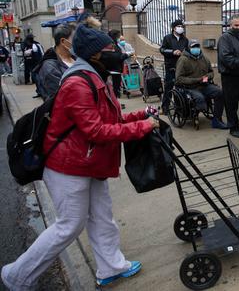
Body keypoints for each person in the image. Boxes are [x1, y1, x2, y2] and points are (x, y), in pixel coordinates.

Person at [1, 24, 159, 290]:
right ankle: (16, 275)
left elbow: (111, 119)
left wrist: (140, 115)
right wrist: (141, 128)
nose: (114, 52)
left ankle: (111, 267)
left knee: (101, 216)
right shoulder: (78, 82)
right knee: (69, 226)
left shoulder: (97, 76)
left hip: (89, 162)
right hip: (69, 166)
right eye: (108, 49)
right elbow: (95, 131)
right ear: (94, 54)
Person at [175, 39, 228, 129]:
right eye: (193, 47)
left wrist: (207, 76)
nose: (196, 48)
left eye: (197, 46)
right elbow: (179, 78)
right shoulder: (183, 60)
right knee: (200, 98)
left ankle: (217, 120)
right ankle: (195, 115)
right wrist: (196, 80)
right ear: (189, 48)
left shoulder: (204, 58)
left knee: (219, 92)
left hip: (204, 85)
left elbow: (211, 72)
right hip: (189, 87)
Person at [34, 23, 76, 100]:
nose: (79, 42)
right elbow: (62, 97)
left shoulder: (76, 58)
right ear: (63, 41)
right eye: (75, 39)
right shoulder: (50, 67)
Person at [160, 19, 189, 113]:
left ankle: (179, 107)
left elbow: (188, 50)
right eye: (178, 26)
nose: (181, 28)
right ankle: (165, 108)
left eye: (182, 26)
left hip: (182, 66)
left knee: (180, 88)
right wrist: (172, 52)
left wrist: (185, 53)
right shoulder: (167, 38)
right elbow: (162, 49)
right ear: (173, 28)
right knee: (169, 87)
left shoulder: (185, 39)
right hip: (170, 66)